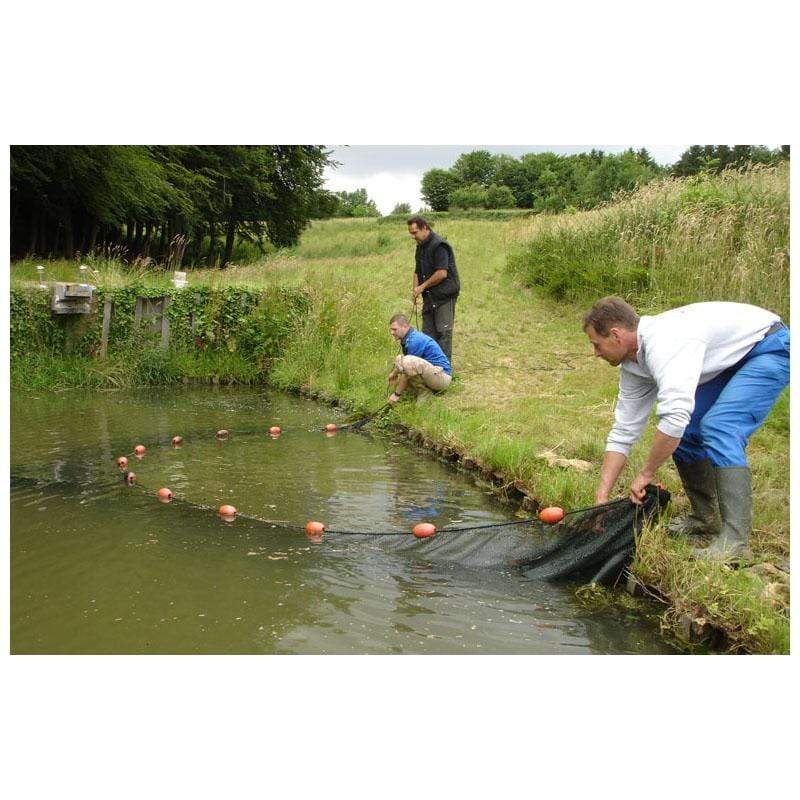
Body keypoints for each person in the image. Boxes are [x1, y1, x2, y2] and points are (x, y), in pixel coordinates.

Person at [583, 296, 789, 561]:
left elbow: (674, 417)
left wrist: (645, 474)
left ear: (615, 335)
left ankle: (736, 543)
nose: (595, 353)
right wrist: (602, 498)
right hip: (728, 358)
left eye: (596, 345)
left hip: (768, 346)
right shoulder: (633, 364)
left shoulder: (666, 343)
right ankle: (706, 518)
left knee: (720, 427)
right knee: (689, 432)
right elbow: (624, 430)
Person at [407, 215, 460, 362]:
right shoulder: (420, 247)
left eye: (415, 232)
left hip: (444, 295)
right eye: (411, 233)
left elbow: (442, 273)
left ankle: (444, 372)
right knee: (428, 335)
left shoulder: (439, 245)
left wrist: (422, 287)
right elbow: (417, 270)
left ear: (425, 228)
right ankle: (430, 370)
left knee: (443, 334)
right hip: (429, 296)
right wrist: (415, 290)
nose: (413, 236)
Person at [387, 313, 452, 404]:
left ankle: (425, 393)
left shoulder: (415, 341)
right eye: (391, 330)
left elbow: (407, 371)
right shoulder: (409, 338)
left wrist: (396, 394)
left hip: (442, 377)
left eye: (394, 329)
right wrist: (393, 374)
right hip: (433, 373)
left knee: (407, 362)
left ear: (405, 326)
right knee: (400, 359)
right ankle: (421, 390)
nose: (392, 333)